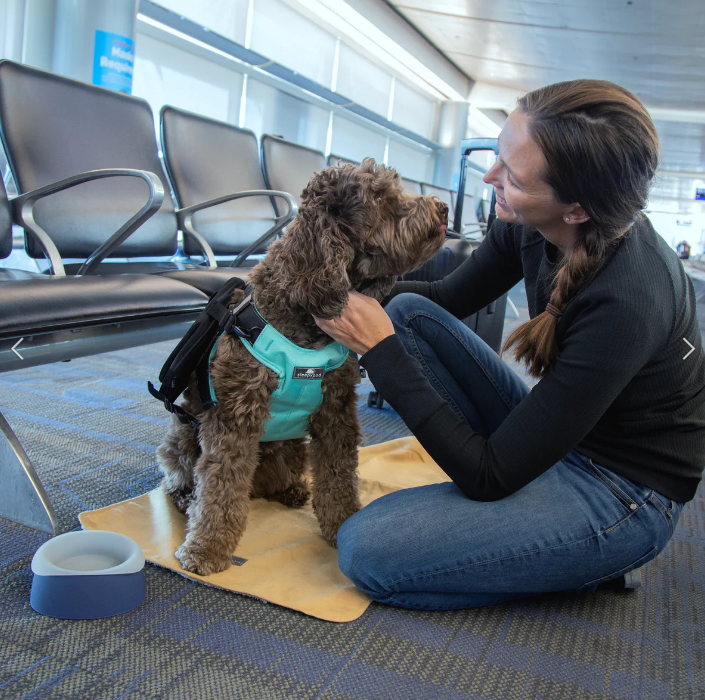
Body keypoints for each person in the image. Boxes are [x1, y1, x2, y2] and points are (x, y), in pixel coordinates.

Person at [314, 79, 705, 611]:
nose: (491, 176)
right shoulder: (527, 220)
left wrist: (378, 352)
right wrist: (324, 286)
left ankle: (586, 560)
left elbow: (488, 475)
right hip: (565, 437)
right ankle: (539, 540)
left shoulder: (629, 298)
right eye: (498, 154)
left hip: (621, 491)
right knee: (405, 313)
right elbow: (444, 298)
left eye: (513, 176)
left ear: (575, 210)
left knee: (366, 551)